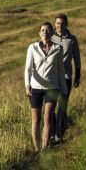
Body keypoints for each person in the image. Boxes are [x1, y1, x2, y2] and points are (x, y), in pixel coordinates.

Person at [24, 22, 68, 152]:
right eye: (42, 30)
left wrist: (64, 90)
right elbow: (28, 69)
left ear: (52, 33)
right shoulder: (32, 48)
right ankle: (37, 149)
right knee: (36, 121)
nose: (45, 32)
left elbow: (61, 71)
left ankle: (44, 149)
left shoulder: (58, 49)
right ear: (39, 33)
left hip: (52, 88)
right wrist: (27, 85)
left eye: (48, 30)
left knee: (47, 119)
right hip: (35, 88)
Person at [51, 14, 81, 142]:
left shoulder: (72, 40)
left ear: (67, 24)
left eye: (62, 23)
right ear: (54, 24)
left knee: (62, 105)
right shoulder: (49, 37)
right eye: (57, 23)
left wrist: (78, 75)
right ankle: (52, 132)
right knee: (50, 105)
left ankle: (59, 133)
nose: (60, 25)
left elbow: (77, 58)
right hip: (51, 77)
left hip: (66, 77)